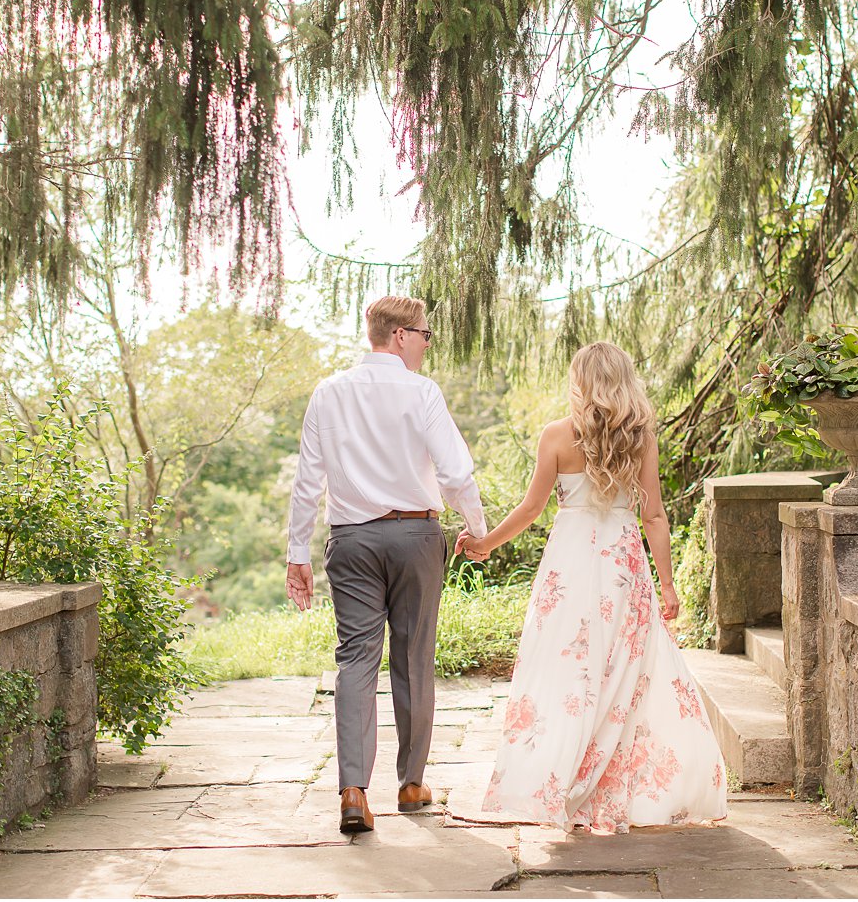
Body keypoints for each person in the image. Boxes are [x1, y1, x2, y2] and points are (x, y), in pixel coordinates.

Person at [456, 341, 727, 834]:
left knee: (570, 673)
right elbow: (654, 515)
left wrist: (486, 543)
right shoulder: (640, 438)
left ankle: (565, 779)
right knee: (625, 674)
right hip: (623, 566)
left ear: (581, 381)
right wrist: (667, 586)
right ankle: (612, 785)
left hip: (572, 565)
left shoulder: (558, 436)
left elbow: (532, 508)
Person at [286, 295, 489, 835]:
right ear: (399, 336)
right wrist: (480, 530)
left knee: (355, 660)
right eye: (424, 334)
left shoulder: (328, 393)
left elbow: (308, 480)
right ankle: (410, 784)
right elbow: (455, 473)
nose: (426, 344)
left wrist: (296, 552)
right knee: (414, 657)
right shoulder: (420, 391)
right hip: (416, 536)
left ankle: (354, 791)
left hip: (351, 541)